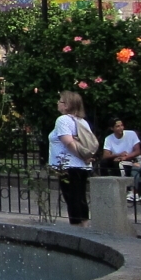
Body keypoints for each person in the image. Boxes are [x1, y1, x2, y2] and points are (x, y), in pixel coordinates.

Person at [48, 90, 95, 227]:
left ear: (67, 105)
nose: (58, 103)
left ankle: (76, 228)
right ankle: (84, 224)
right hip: (81, 166)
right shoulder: (81, 121)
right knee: (80, 197)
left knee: (72, 198)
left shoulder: (62, 120)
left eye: (60, 101)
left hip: (68, 165)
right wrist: (86, 157)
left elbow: (68, 142)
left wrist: (83, 156)